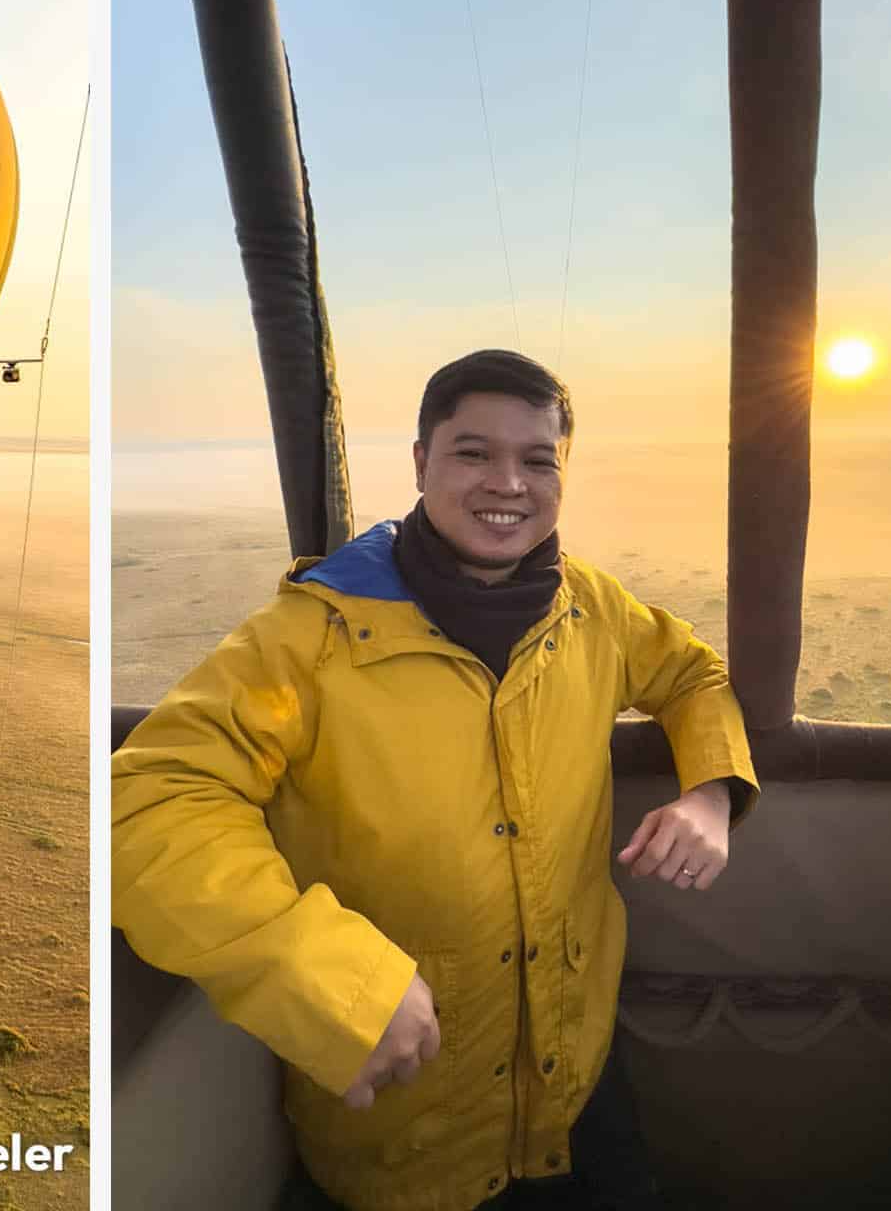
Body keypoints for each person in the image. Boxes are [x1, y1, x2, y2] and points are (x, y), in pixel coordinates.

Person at [110, 349, 759, 1211]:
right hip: (405, 1122)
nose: (509, 483)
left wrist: (711, 791)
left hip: (575, 1082)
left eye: (538, 460)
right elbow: (153, 800)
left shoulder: (593, 608)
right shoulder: (307, 639)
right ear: (420, 463)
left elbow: (692, 675)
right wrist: (325, 975)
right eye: (473, 452)